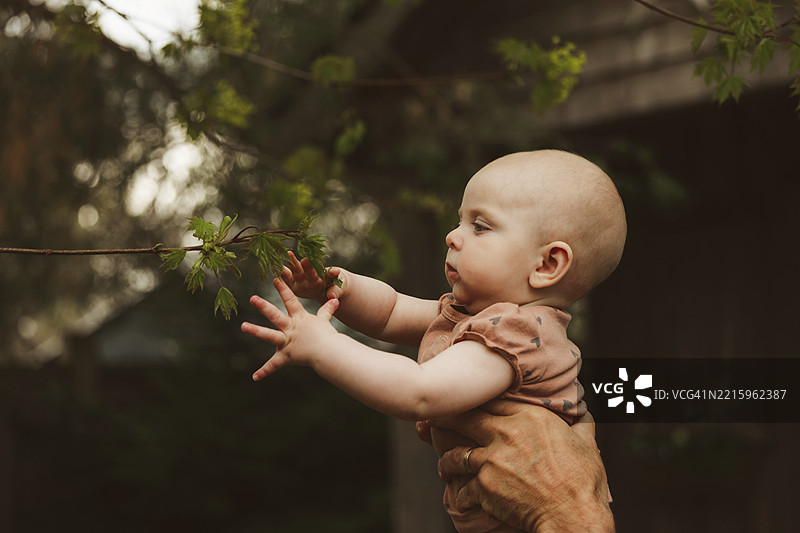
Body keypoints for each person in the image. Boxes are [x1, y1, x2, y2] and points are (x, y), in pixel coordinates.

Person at [241, 150, 626, 532]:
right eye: (460, 220)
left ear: (546, 266)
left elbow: (418, 392)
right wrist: (338, 288)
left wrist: (322, 347)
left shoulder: (519, 333)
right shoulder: (480, 318)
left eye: (481, 226)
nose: (453, 236)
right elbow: (391, 311)